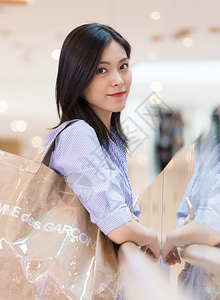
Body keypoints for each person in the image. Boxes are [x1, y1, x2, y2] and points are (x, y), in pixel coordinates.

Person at [45, 23, 160, 260]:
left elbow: (121, 215)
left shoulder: (110, 141)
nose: (118, 80)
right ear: (77, 77)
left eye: (123, 66)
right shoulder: (77, 135)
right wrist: (154, 238)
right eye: (101, 70)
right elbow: (118, 225)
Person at [161, 100, 220, 297]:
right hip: (202, 277)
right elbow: (184, 213)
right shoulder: (208, 143)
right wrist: (188, 229)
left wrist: (174, 237)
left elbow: (211, 228)